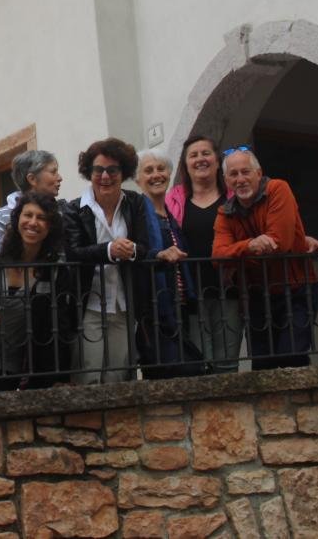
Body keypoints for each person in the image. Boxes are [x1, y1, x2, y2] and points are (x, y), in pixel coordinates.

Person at [212, 146, 318, 370]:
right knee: (262, 366)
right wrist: (251, 245)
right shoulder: (225, 213)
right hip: (257, 295)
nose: (240, 179)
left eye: (245, 172)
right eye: (233, 174)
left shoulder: (278, 189)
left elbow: (279, 243)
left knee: (292, 358)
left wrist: (240, 257)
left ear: (258, 174)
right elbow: (218, 256)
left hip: (296, 288)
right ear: (226, 180)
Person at [62, 138, 154, 385]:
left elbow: (145, 246)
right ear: (89, 173)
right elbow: (74, 252)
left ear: (122, 173)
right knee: (89, 376)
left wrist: (131, 249)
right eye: (98, 170)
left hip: (124, 304)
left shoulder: (135, 203)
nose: (105, 176)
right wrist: (110, 250)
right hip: (89, 304)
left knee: (117, 376)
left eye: (112, 170)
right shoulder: (74, 209)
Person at [165, 135, 239, 372]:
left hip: (231, 290)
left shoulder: (234, 197)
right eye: (193, 155)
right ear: (186, 165)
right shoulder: (174, 199)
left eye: (206, 153)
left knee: (227, 364)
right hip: (192, 292)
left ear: (218, 161)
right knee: (199, 364)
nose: (200, 159)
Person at [0, 191, 71, 390]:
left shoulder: (54, 270)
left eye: (42, 218)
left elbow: (61, 323)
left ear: (50, 227)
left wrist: (63, 374)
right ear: (18, 218)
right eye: (28, 215)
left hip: (36, 364)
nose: (33, 222)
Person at [134, 148, 201, 377]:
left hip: (180, 304)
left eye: (161, 169)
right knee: (168, 371)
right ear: (138, 179)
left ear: (170, 173)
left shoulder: (171, 217)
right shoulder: (137, 215)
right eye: (149, 170)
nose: (156, 175)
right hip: (154, 309)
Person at [0, 149, 64, 239]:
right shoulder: (0, 218)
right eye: (53, 172)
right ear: (32, 179)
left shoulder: (62, 213)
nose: (60, 178)